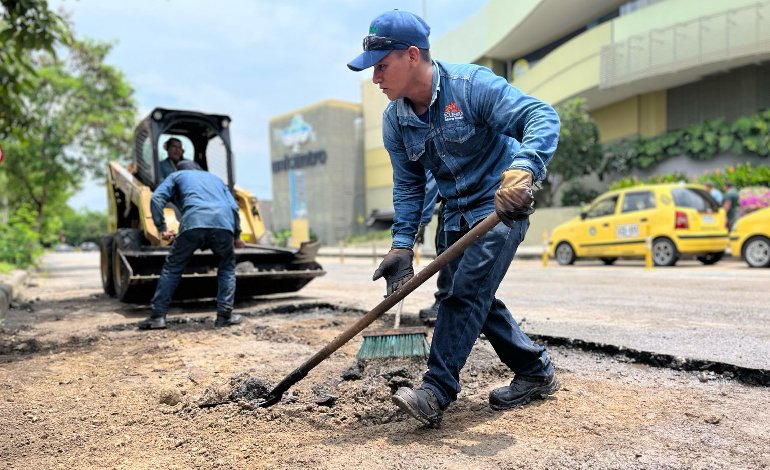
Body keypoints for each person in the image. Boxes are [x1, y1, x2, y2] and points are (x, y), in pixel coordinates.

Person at [349, 10, 560, 427]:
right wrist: (401, 243)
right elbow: (409, 186)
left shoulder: (470, 87)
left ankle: (436, 390)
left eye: (381, 66)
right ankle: (535, 370)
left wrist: (523, 170)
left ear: (412, 56)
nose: (375, 78)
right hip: (455, 215)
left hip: (500, 207)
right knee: (465, 297)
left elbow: (542, 117)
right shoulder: (396, 120)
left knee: (464, 294)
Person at [138, 160, 246, 330]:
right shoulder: (215, 179)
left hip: (193, 223)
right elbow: (233, 207)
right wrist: (237, 236)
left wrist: (162, 228)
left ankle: (158, 317)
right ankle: (224, 316)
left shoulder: (176, 175)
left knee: (172, 268)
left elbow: (157, 198)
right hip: (223, 225)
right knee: (227, 268)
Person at [416, 171, 449, 325]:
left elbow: (431, 183)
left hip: (456, 205)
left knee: (447, 255)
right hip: (484, 199)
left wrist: (421, 222)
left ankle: (444, 305)